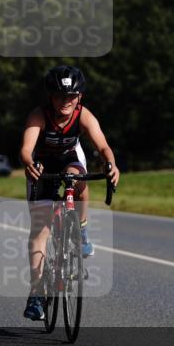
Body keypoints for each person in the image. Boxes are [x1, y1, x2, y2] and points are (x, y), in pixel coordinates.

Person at [19, 65, 120, 321]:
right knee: (40, 230)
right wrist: (29, 164)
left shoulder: (83, 115)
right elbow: (26, 149)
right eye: (59, 96)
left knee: (78, 177)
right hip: (42, 166)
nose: (65, 101)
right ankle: (36, 292)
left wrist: (111, 164)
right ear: (50, 97)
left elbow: (103, 145)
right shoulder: (38, 116)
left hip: (69, 159)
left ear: (79, 97)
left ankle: (81, 227)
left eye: (71, 96)